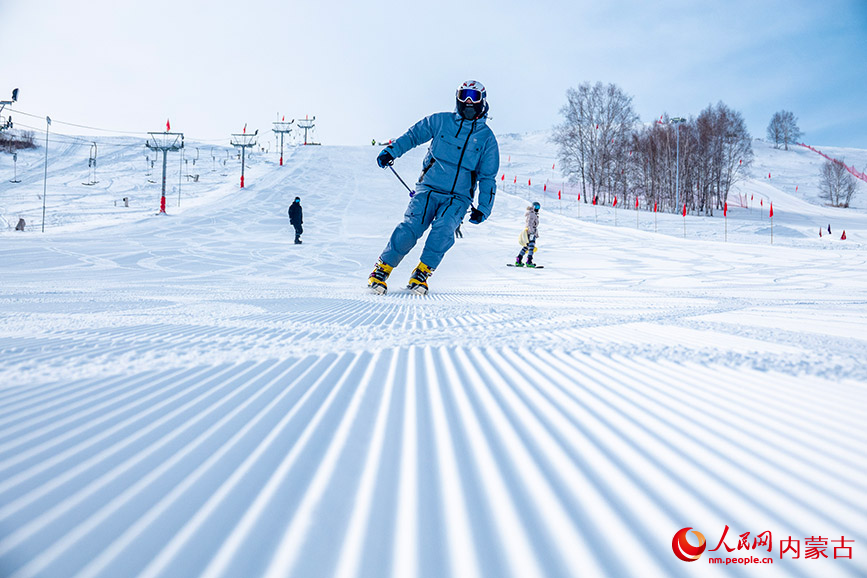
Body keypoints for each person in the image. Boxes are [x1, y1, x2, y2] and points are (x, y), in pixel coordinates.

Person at [368, 80, 499, 295]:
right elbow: (413, 136)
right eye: (464, 95)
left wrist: (484, 207)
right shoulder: (440, 121)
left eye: (473, 97)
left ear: (482, 102)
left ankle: (421, 273)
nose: (468, 101)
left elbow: (488, 177)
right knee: (411, 228)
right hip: (429, 188)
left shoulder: (487, 139)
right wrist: (392, 151)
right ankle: (381, 270)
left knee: (445, 229)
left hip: (458, 197)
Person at [516, 202, 540, 267]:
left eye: (539, 207)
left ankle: (519, 258)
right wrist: (532, 232)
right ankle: (529, 261)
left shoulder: (533, 214)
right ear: (533, 207)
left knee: (526, 246)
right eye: (536, 207)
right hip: (531, 232)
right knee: (531, 247)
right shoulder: (532, 214)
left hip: (531, 232)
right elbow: (529, 224)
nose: (538, 208)